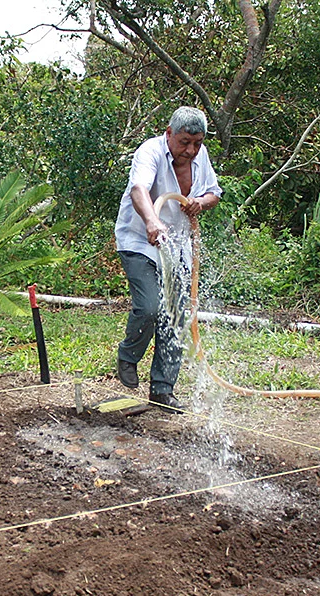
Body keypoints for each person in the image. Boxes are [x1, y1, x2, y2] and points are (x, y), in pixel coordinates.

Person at [114, 106, 222, 413]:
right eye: (184, 142)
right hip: (140, 240)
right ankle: (129, 355)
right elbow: (139, 190)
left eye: (197, 143)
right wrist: (151, 221)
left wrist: (200, 202)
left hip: (177, 246)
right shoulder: (149, 152)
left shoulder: (200, 157)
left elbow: (214, 192)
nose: (190, 150)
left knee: (176, 317)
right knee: (149, 306)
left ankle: (162, 390)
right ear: (169, 134)